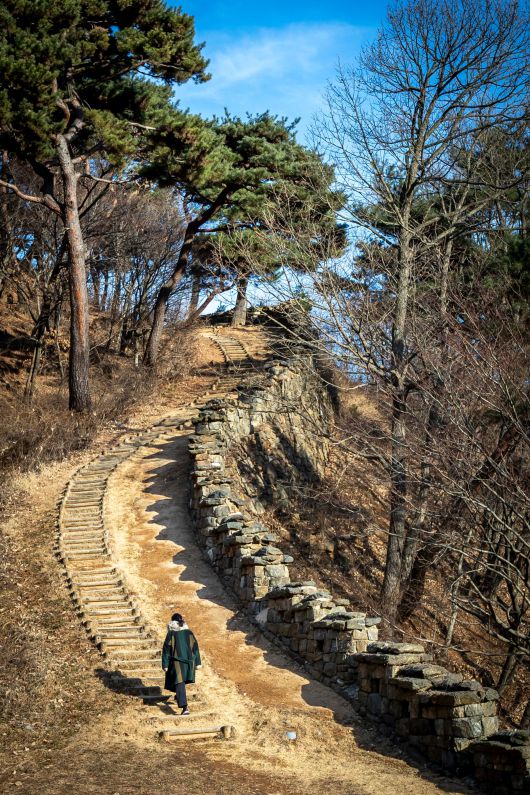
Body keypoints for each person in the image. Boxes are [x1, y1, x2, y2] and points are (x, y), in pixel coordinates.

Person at [162, 612, 201, 714]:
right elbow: (195, 648)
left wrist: (165, 664)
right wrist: (198, 662)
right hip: (189, 664)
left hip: (177, 663)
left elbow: (166, 649)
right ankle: (178, 696)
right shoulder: (189, 633)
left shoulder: (171, 634)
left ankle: (185, 707)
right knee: (180, 683)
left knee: (179, 682)